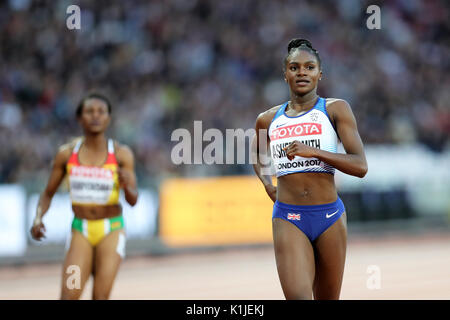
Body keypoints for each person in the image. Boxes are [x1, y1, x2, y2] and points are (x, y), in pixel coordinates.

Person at [252, 38, 367, 300]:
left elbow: (360, 166)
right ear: (285, 74)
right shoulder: (267, 119)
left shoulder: (335, 109)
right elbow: (258, 155)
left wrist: (313, 150)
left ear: (319, 73)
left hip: (330, 217)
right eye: (294, 67)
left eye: (309, 67)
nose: (302, 72)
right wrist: (268, 184)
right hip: (288, 217)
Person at [30, 92, 138, 300]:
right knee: (69, 294)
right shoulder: (66, 154)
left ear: (109, 118)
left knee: (100, 296)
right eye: (89, 111)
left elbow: (133, 201)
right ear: (79, 118)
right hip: (80, 230)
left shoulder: (122, 154)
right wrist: (38, 218)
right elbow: (47, 193)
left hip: (111, 230)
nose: (95, 116)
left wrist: (127, 187)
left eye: (101, 112)